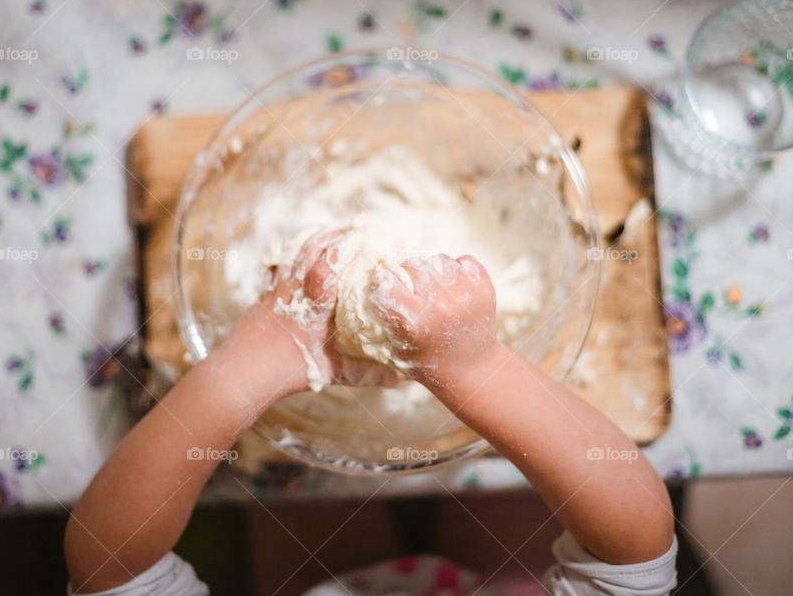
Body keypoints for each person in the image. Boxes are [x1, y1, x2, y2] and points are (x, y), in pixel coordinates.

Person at [65, 231, 677, 595]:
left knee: (297, 496)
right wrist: (477, 371)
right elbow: (635, 548)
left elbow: (110, 565)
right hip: (493, 581)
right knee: (526, 499)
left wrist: (242, 371)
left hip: (329, 580)